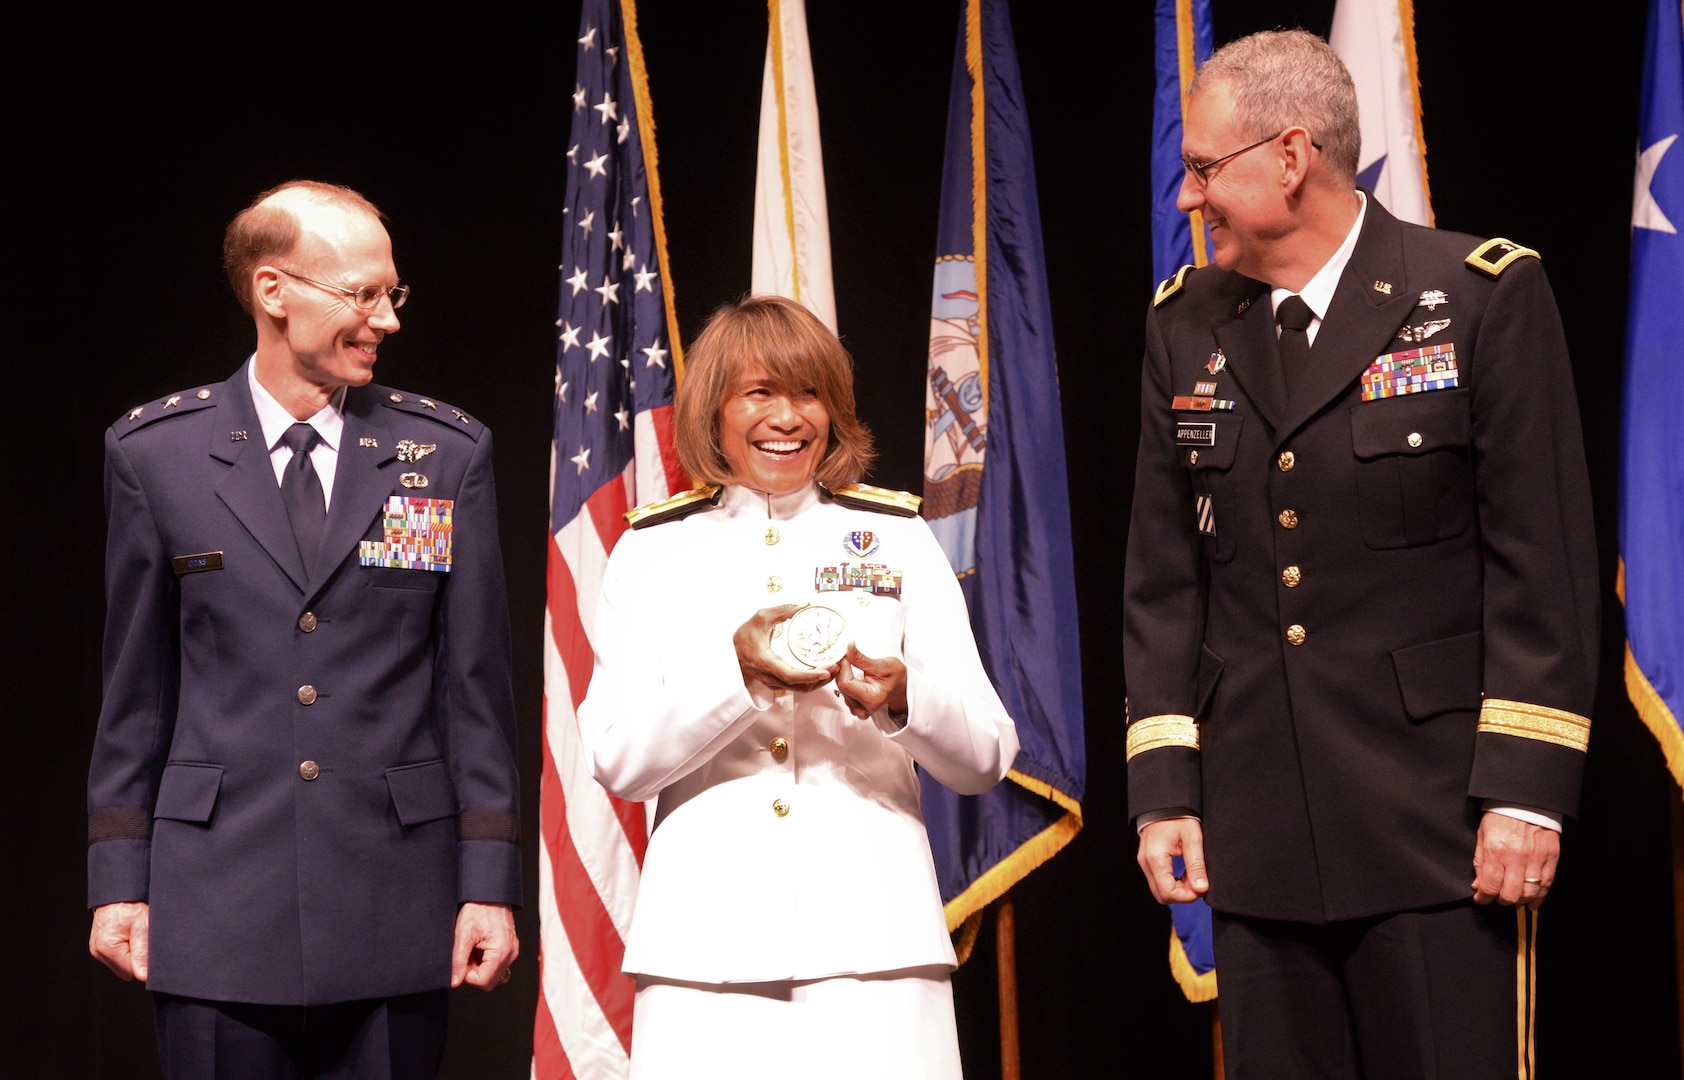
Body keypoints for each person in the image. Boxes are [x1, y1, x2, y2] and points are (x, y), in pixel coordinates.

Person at [1124, 29, 1597, 1079]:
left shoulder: (1478, 296)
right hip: (1256, 831)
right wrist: (1165, 789)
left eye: (1203, 169)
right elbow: (1162, 583)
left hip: (1435, 826)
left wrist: (1523, 794)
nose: (1185, 199)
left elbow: (1543, 568)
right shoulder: (1184, 325)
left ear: (1290, 157)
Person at [86, 180, 521, 1079]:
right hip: (215, 899)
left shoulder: (444, 454)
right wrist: (118, 881)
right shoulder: (154, 454)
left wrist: (488, 886)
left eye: (390, 294)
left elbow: (475, 691)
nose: (386, 320)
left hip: (396, 896)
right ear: (272, 291)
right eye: (361, 294)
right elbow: (135, 691)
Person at [577, 295, 1018, 1080]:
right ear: (714, 409)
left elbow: (986, 754)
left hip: (878, 950)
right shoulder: (651, 552)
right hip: (702, 956)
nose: (788, 417)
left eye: (808, 393)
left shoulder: (898, 537)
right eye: (760, 393)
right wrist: (735, 677)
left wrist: (903, 700)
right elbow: (616, 759)